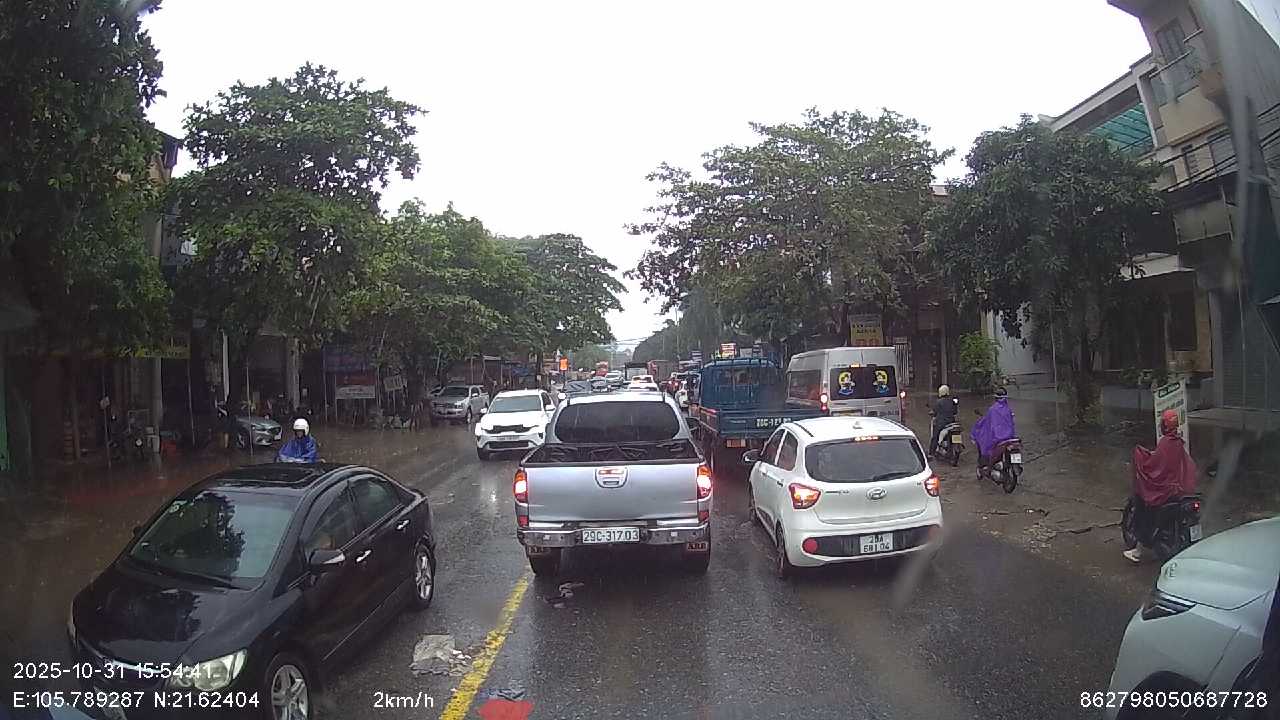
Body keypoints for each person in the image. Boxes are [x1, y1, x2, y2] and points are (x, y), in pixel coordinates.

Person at [1124, 409, 1198, 563]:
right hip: (1175, 489)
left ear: (1164, 425)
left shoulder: (1166, 443)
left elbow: (1154, 466)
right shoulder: (1178, 442)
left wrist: (1141, 455)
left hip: (1162, 490)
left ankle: (1138, 551)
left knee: (1144, 509)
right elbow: (1165, 462)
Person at [971, 387, 1016, 477]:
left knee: (984, 441)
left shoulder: (992, 409)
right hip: (1010, 437)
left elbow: (985, 423)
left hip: (998, 438)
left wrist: (975, 431)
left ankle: (986, 464)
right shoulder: (1008, 409)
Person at [928, 385, 957, 456]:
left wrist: (932, 413)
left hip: (941, 423)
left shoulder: (938, 402)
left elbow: (934, 412)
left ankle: (931, 453)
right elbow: (955, 412)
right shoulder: (952, 401)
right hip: (952, 423)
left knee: (935, 436)